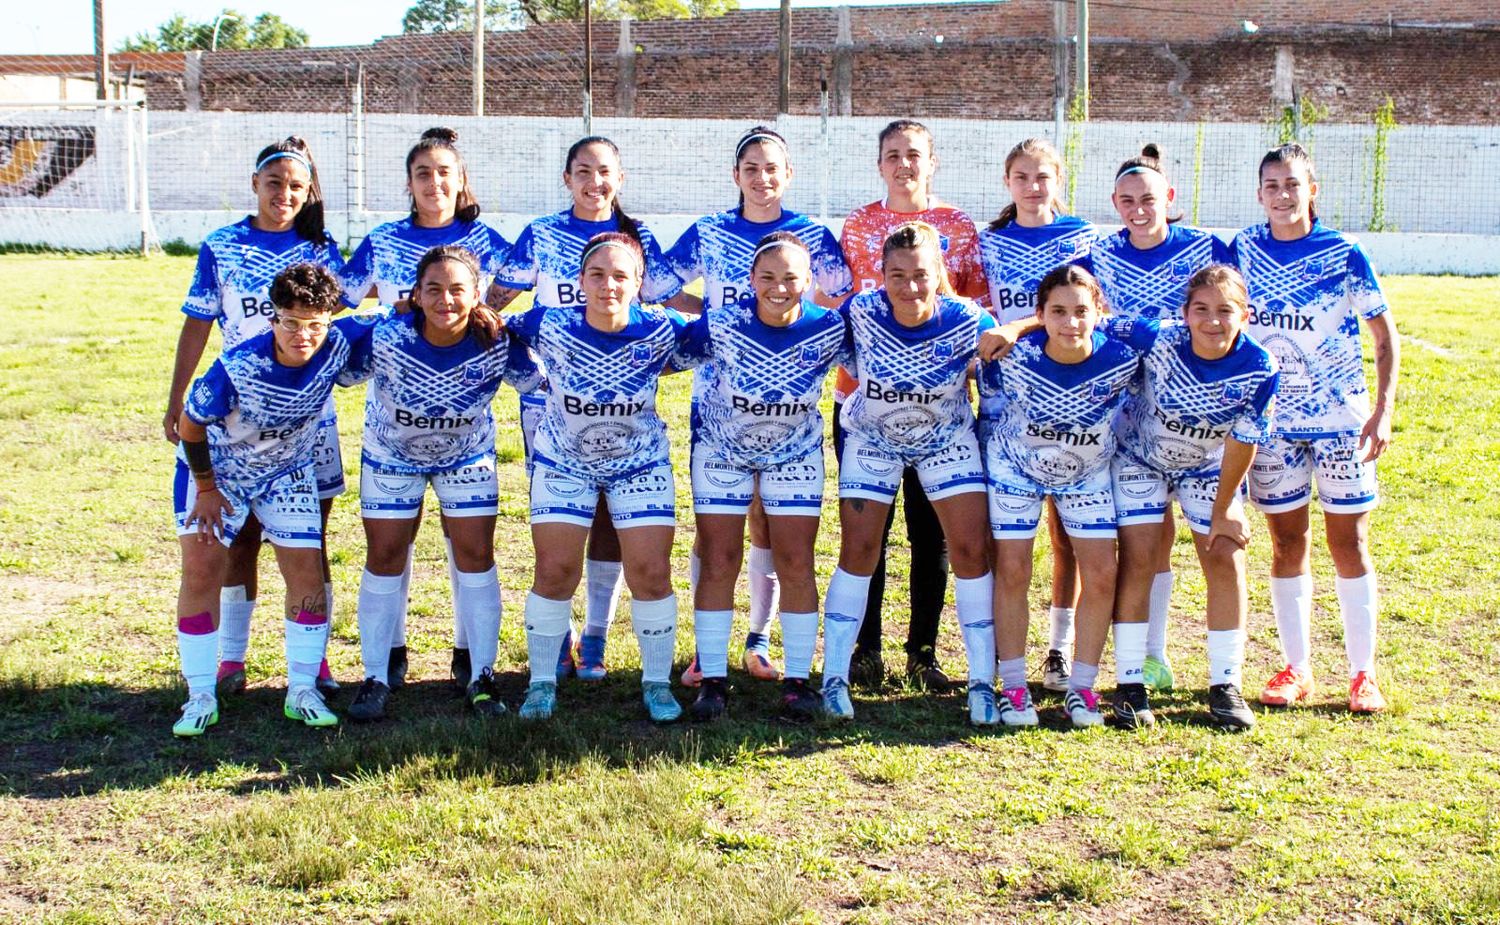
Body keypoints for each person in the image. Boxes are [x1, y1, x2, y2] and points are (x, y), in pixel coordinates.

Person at [495, 136, 700, 682]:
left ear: (620, 178)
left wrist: (728, 312)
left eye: (604, 171)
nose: (594, 181)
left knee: (614, 518)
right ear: (567, 178)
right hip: (552, 398)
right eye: (582, 171)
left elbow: (665, 300)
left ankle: (595, 637)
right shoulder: (541, 234)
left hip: (622, 401)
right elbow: (497, 301)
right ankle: (556, 640)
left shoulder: (639, 238)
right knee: (560, 518)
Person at [664, 125, 852, 688]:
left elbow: (839, 288)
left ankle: (761, 638)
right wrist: (709, 317)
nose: (762, 178)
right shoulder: (712, 230)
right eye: (752, 168)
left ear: (788, 174)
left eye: (773, 168)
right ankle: (706, 653)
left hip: (788, 402)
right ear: (736, 175)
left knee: (775, 528)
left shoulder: (811, 233)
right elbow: (657, 284)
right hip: (719, 400)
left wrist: (795, 323)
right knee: (716, 532)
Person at [165, 136, 344, 701]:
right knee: (236, 541)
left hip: (306, 418)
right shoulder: (224, 244)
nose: (284, 195)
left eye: (296, 186)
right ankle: (230, 658)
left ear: (308, 191)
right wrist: (177, 396)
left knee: (308, 539)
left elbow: (344, 314)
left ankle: (312, 664)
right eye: (275, 184)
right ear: (255, 185)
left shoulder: (320, 246)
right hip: (231, 411)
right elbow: (198, 321)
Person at [340, 127, 513, 691]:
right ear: (409, 183)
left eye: (445, 172)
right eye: (423, 173)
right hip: (394, 426)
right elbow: (338, 295)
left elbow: (506, 295)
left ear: (461, 181)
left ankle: (473, 661)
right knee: (389, 546)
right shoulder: (385, 238)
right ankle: (384, 662)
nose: (434, 182)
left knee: (471, 549)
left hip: (465, 425)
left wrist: (481, 322)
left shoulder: (485, 238)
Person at [826, 222, 1019, 725]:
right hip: (873, 439)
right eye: (896, 275)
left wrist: (1015, 329)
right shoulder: (862, 311)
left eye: (920, 275)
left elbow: (1015, 339)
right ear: (880, 276)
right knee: (859, 549)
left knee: (971, 551)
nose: (909, 287)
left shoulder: (965, 319)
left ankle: (980, 681)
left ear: (939, 275)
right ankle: (834, 676)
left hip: (946, 440)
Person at [1231, 143, 1400, 714]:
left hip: (1341, 424)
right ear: (1260, 194)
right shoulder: (1243, 251)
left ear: (1312, 190)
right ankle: (1297, 667)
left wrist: (1384, 408)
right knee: (1286, 542)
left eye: (1292, 185)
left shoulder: (1343, 253)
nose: (1282, 195)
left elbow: (1383, 337)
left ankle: (1362, 674)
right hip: (1274, 424)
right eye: (1272, 185)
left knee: (1348, 541)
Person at [342, 246, 541, 723]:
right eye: (433, 289)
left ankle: (482, 676)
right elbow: (336, 366)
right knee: (385, 555)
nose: (445, 300)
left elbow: (541, 382)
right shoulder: (387, 336)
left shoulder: (496, 340)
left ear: (477, 295)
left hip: (466, 458)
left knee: (475, 556)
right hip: (392, 456)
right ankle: (374, 675)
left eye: (457, 290)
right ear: (414, 294)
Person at [171, 263, 366, 735]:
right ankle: (199, 694)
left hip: (285, 472)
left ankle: (301, 689)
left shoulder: (338, 342)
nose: (303, 335)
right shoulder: (239, 366)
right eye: (291, 323)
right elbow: (191, 426)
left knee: (305, 570)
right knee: (202, 570)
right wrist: (207, 488)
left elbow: (397, 312)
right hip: (217, 472)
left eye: (315, 323)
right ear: (273, 318)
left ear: (328, 319)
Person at [834, 119, 989, 690]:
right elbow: (846, 304)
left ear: (933, 162)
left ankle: (924, 653)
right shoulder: (857, 224)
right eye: (893, 155)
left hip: (939, 404)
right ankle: (864, 651)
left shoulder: (958, 226)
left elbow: (970, 303)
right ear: (879, 164)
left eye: (914, 154)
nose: (904, 164)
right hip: (864, 403)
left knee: (933, 534)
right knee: (865, 534)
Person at [1080, 143, 1234, 693]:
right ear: (1115, 204)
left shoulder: (1205, 247)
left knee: (1194, 542)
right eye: (1127, 200)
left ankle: (1201, 669)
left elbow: (1234, 309)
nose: (1138, 208)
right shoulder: (1097, 254)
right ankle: (1149, 655)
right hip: (1129, 414)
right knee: (1147, 539)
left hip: (1196, 413)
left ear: (1169, 198)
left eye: (1148, 198)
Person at [1109, 265, 1279, 730]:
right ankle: (1129, 685)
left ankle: (1225, 685)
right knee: (1140, 557)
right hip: (1138, 457)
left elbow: (1245, 439)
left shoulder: (1261, 366)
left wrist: (1226, 507)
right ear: (1184, 313)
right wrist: (1017, 326)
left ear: (1244, 314)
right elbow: (1088, 319)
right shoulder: (1156, 337)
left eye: (1225, 311)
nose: (1212, 321)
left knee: (1225, 555)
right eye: (1201, 310)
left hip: (1207, 465)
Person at [978, 265, 1141, 729]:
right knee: (1012, 569)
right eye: (1058, 312)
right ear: (1040, 315)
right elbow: (990, 406)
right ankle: (1012, 685)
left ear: (1098, 312)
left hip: (1087, 474)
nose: (1071, 322)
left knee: (1102, 574)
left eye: (1081, 311)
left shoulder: (1124, 358)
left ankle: (1083, 687)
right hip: (1016, 471)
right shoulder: (1011, 357)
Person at [978, 137, 1096, 696]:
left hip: (1072, 399)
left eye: (1042, 176)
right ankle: (1002, 663)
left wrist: (1024, 329)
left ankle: (1059, 648)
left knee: (1068, 533)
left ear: (1058, 180)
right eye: (1021, 176)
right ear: (1008, 182)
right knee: (1009, 538)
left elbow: (1094, 310)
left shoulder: (1083, 239)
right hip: (1004, 402)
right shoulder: (990, 242)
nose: (1032, 186)